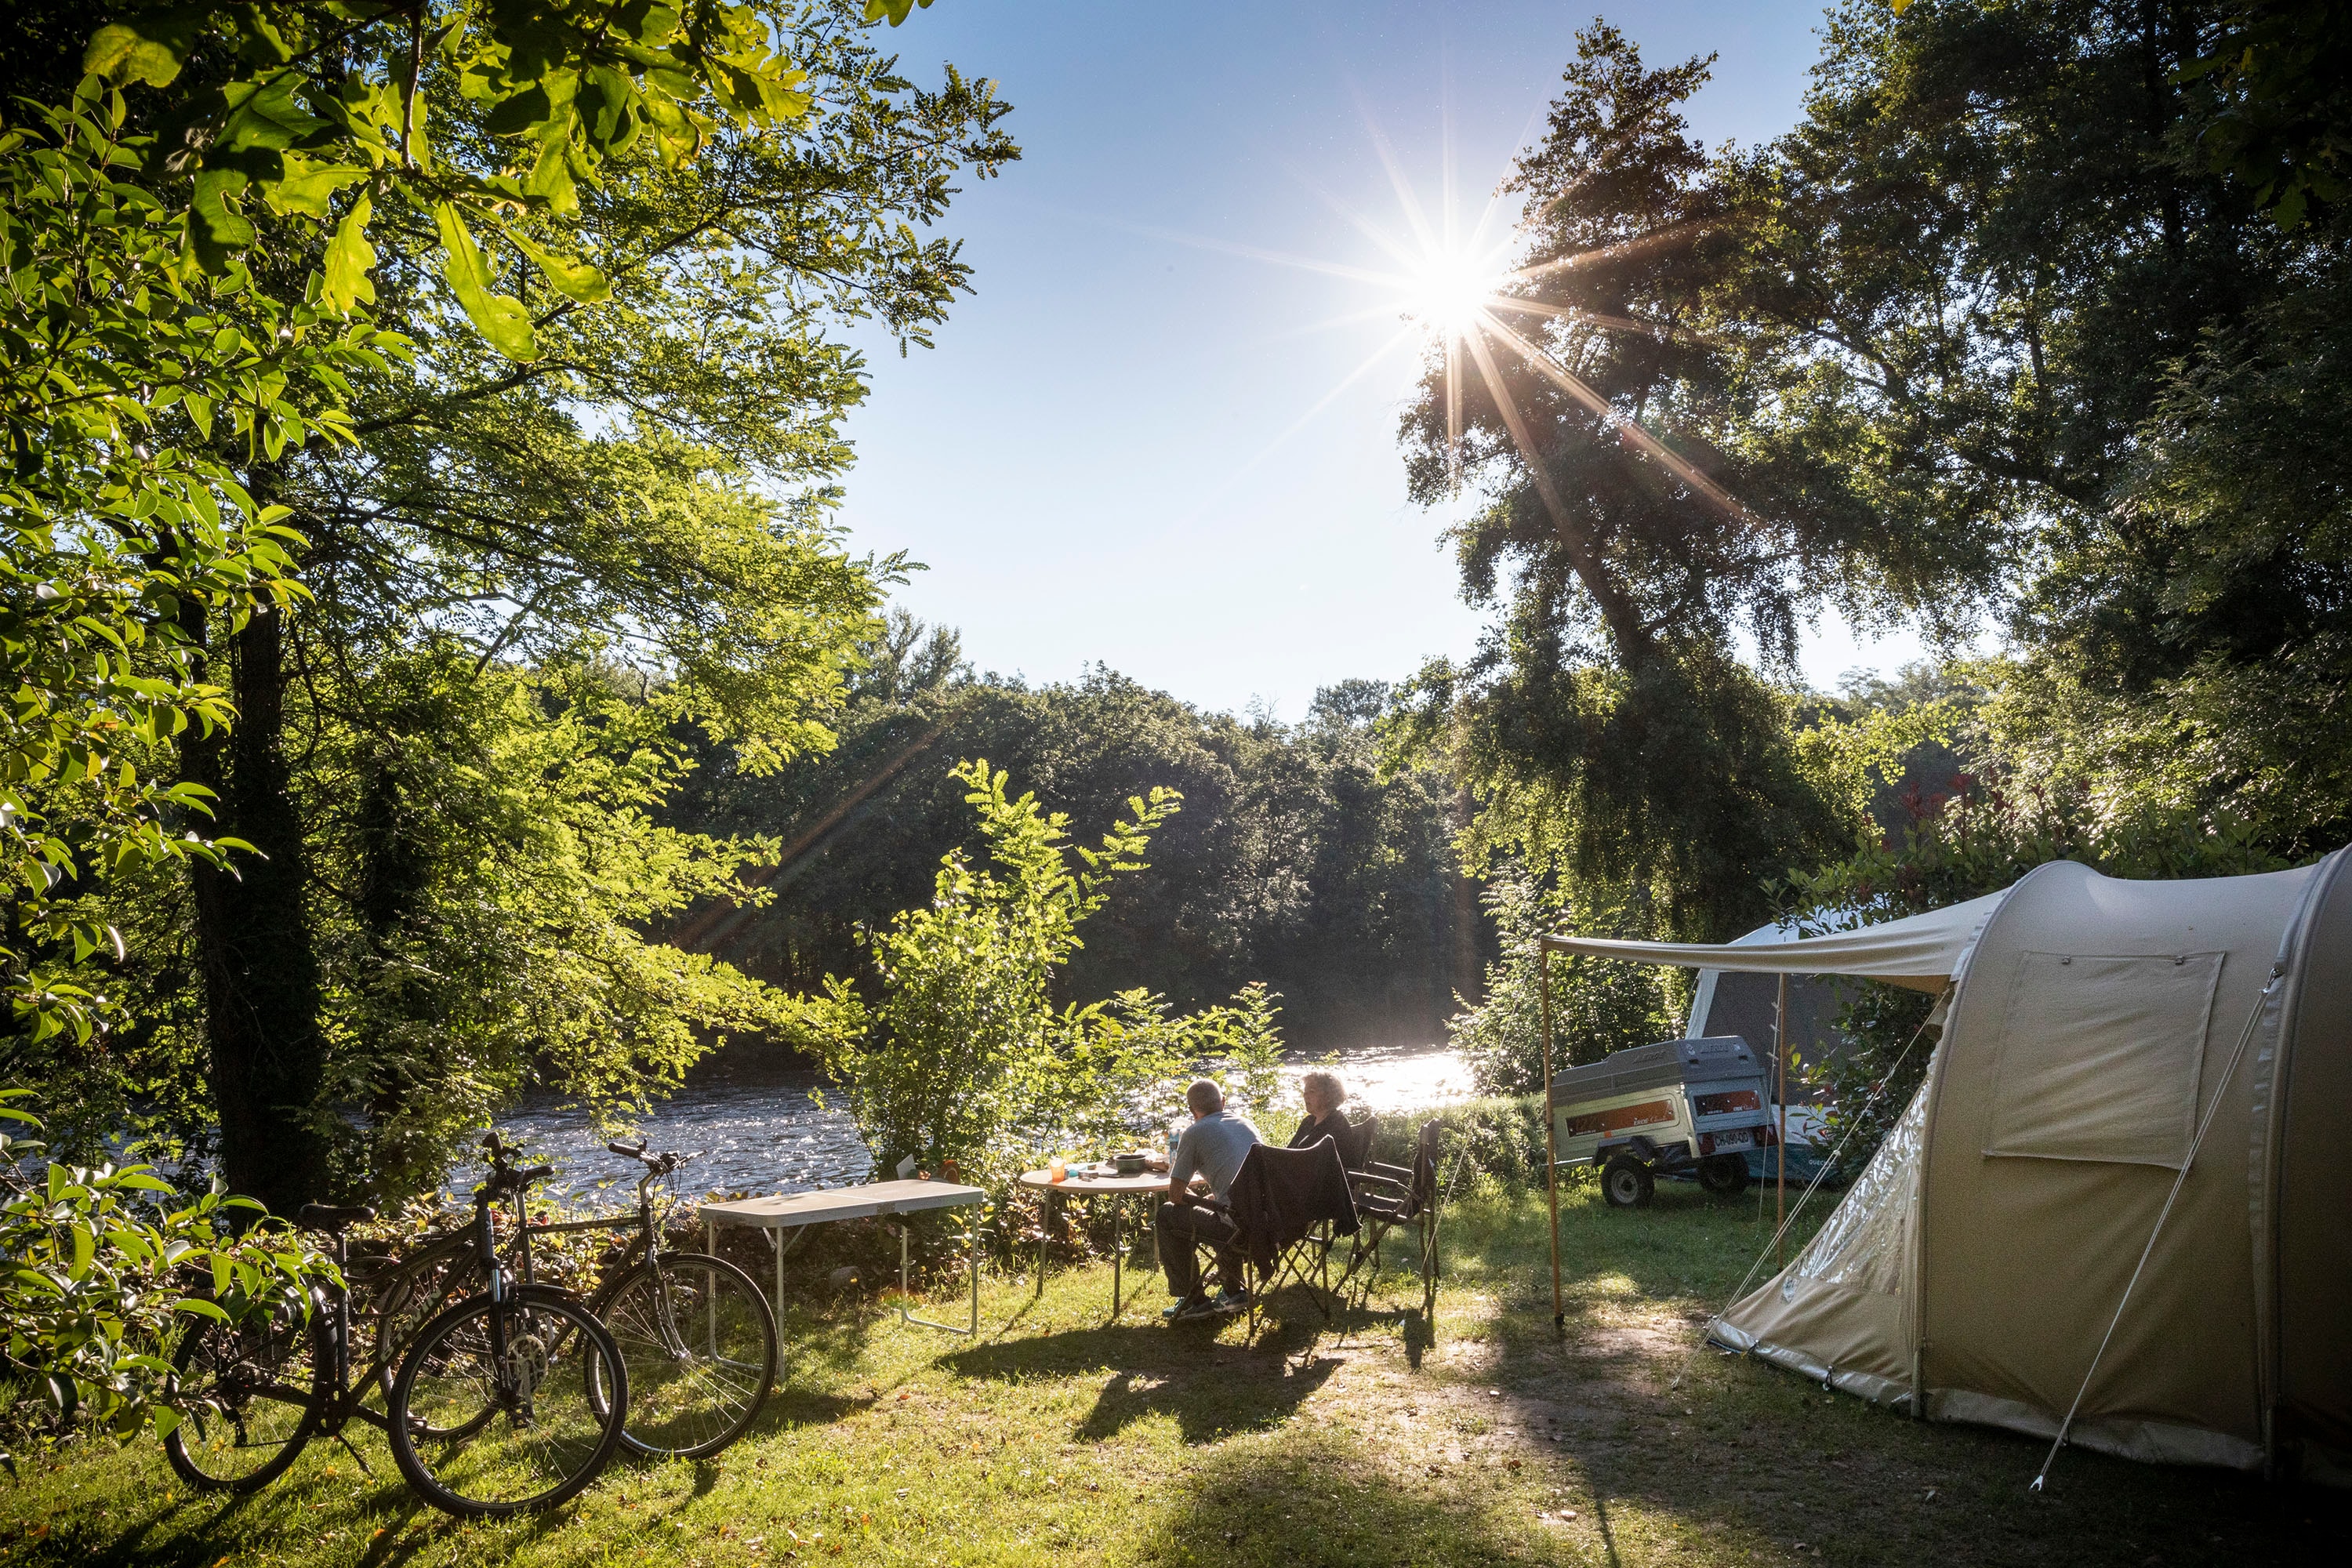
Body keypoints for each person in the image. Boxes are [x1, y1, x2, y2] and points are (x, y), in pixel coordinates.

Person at [1156, 1078, 1262, 1321]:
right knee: (1220, 1209)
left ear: (1192, 1110)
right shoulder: (1246, 1124)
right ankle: (1234, 1292)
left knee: (1167, 1214)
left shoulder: (1194, 1132)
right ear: (1223, 1102)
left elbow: (1176, 1195)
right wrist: (1211, 1200)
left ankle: (1193, 1300)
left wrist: (1203, 1202)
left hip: (1238, 1228)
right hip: (1267, 1223)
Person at [1287, 1071, 1350, 1152]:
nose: (1305, 1096)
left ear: (1329, 1095)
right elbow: (1289, 1150)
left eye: (1312, 1091)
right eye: (1305, 1092)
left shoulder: (1337, 1123)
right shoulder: (1308, 1121)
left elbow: (1320, 1155)